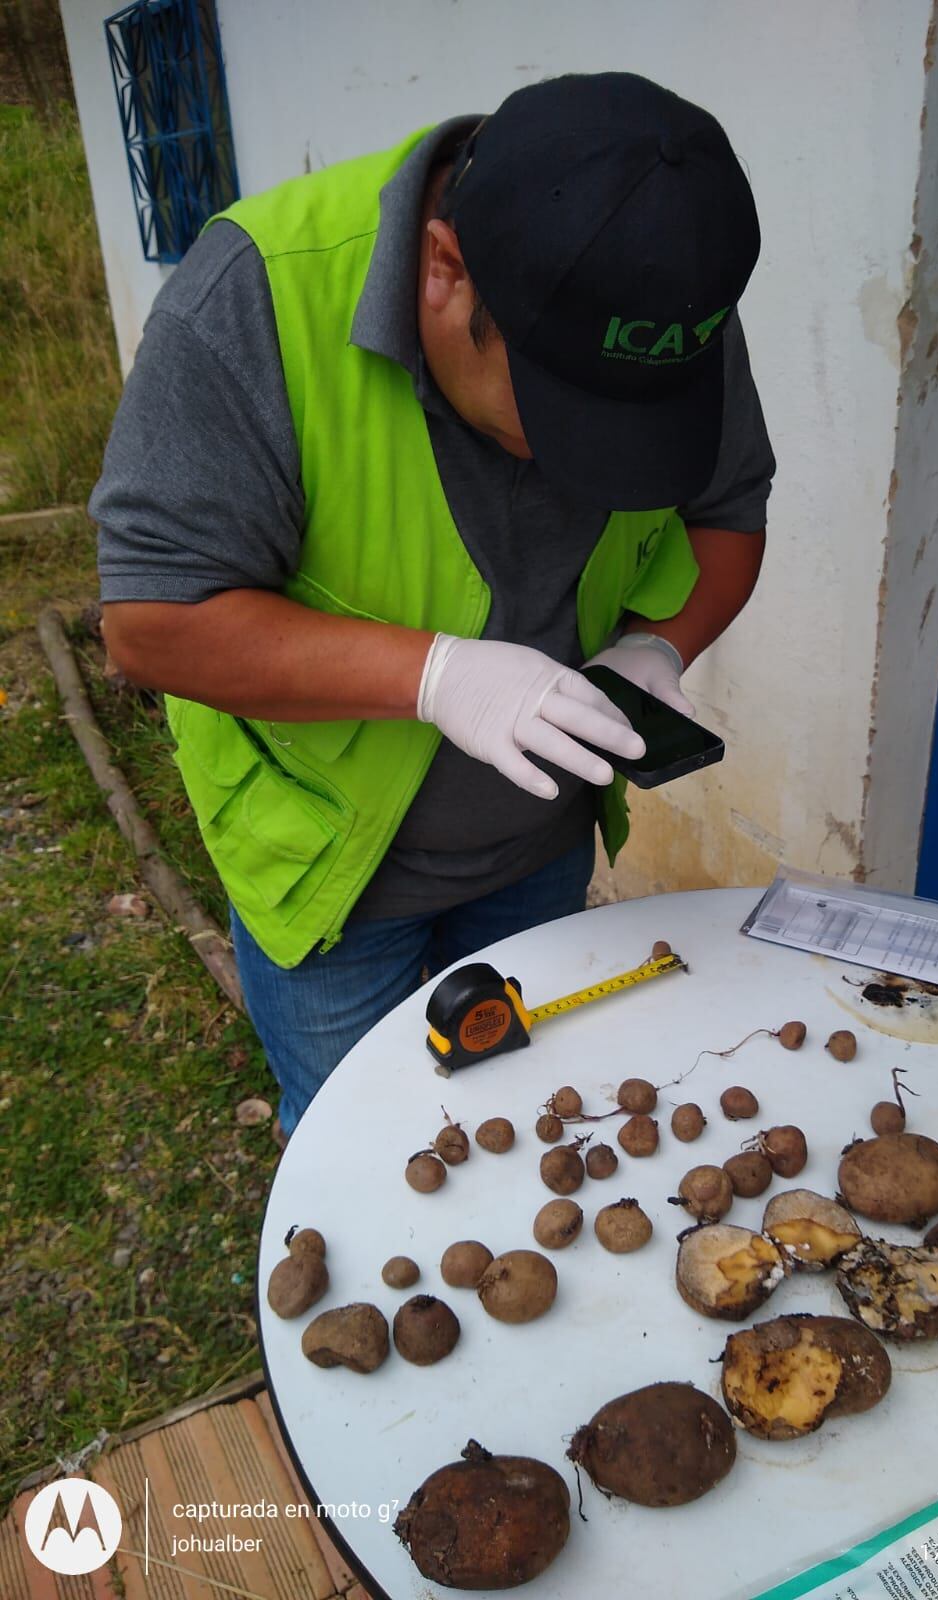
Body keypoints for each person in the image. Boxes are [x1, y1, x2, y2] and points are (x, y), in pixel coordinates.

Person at [93, 71, 775, 1139]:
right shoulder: (251, 299)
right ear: (444, 270)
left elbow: (731, 509)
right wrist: (435, 675)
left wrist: (657, 649)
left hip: (538, 843)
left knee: (523, 1122)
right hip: (327, 872)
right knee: (364, 1150)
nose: (576, 469)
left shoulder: (656, 314)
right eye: (553, 416)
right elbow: (149, 623)